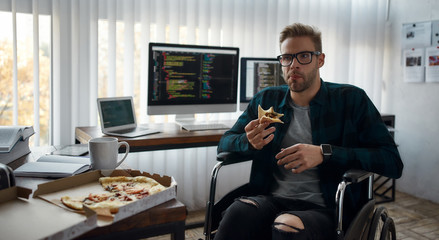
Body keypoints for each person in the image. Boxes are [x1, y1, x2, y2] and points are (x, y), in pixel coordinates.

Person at [214, 23, 403, 240]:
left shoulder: (351, 99)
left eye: (303, 56)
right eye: (287, 58)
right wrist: (248, 142)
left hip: (328, 206)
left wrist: (325, 153)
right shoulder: (266, 100)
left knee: (287, 225)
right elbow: (225, 143)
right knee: (237, 212)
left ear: (320, 60)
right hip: (269, 197)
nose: (293, 65)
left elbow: (392, 162)